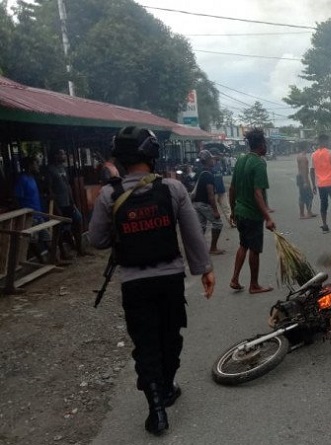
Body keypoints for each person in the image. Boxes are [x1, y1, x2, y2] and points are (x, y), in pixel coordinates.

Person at [88, 126, 215, 435]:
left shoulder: (109, 194)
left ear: (120, 157)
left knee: (145, 343)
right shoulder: (172, 189)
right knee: (170, 337)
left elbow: (97, 240)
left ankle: (155, 408)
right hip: (170, 280)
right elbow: (192, 235)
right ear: (152, 154)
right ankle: (167, 387)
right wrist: (205, 269)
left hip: (134, 283)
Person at [228, 128, 277, 293]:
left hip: (240, 212)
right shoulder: (259, 163)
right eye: (266, 143)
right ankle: (254, 285)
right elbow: (258, 194)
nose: (267, 147)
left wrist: (233, 210)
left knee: (243, 245)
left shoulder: (241, 160)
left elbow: (232, 188)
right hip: (251, 214)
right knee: (254, 249)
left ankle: (234, 279)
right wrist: (267, 217)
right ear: (261, 145)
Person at [14, 156, 55, 263]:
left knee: (47, 237)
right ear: (30, 166)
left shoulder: (32, 179)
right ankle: (42, 261)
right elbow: (17, 199)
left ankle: (54, 260)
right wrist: (23, 215)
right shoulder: (22, 180)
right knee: (33, 241)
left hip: (38, 214)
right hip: (29, 216)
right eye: (35, 163)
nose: (37, 166)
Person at [46, 148, 86, 257]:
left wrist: (73, 201)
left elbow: (67, 185)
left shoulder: (63, 168)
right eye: (62, 154)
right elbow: (49, 188)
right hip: (59, 203)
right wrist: (55, 206)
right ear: (56, 156)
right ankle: (63, 253)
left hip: (68, 202)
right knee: (59, 228)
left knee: (78, 220)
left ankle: (79, 249)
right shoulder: (50, 169)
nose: (64, 156)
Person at [192, 150, 224, 255]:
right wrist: (215, 211)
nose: (213, 160)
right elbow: (210, 195)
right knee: (218, 223)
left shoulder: (199, 172)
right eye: (211, 159)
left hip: (196, 203)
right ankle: (213, 248)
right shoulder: (208, 175)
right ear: (207, 161)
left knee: (201, 227)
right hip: (204, 204)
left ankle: (197, 250)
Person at [211, 150, 232, 226]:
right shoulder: (209, 167)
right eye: (217, 155)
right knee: (212, 209)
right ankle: (215, 224)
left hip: (221, 189)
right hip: (212, 191)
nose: (218, 156)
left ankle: (232, 222)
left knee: (226, 207)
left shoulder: (219, 164)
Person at [296, 146, 316, 218]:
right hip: (303, 177)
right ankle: (305, 213)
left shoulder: (299, 156)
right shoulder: (303, 157)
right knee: (309, 195)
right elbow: (304, 169)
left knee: (303, 195)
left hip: (300, 177)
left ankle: (307, 212)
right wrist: (305, 181)